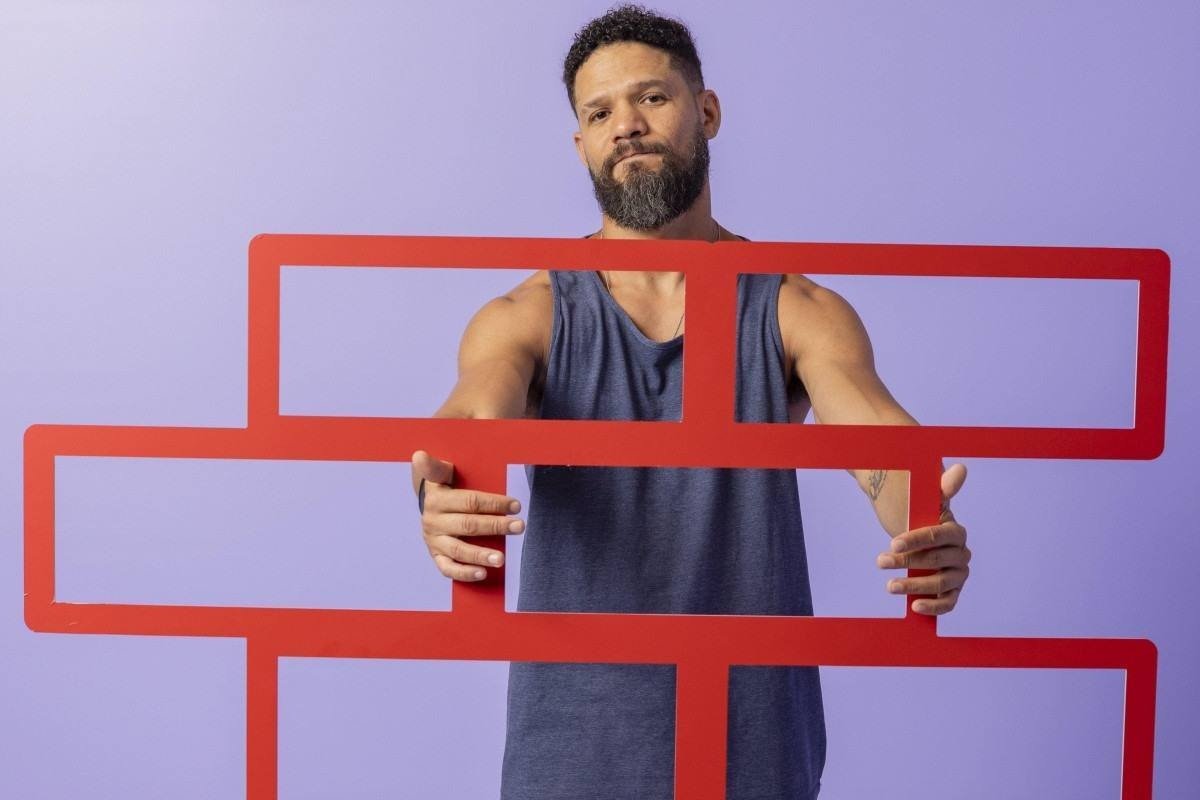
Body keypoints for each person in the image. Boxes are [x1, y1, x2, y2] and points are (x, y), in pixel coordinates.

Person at [409, 5, 971, 798]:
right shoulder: (528, 313)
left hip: (752, 747)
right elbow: (471, 418)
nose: (626, 127)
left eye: (651, 97)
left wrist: (926, 523)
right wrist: (441, 489)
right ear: (581, 145)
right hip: (573, 752)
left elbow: (876, 439)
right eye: (599, 113)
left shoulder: (794, 307)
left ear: (705, 112)